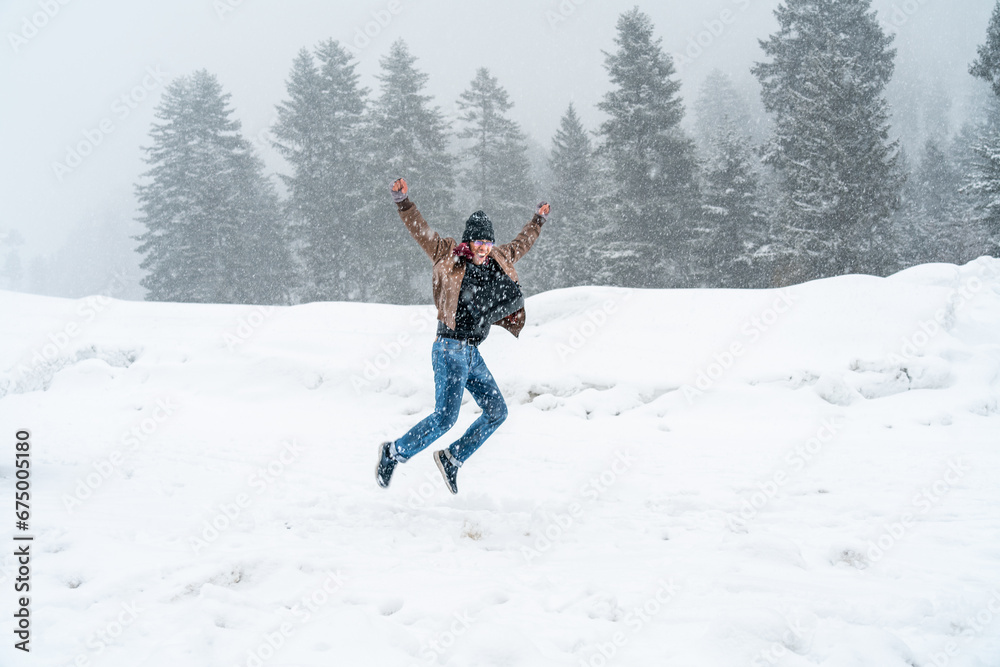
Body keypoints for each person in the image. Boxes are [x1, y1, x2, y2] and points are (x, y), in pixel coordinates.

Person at [376, 177, 550, 494]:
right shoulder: (448, 256)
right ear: (469, 242)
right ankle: (393, 453)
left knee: (497, 411)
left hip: (472, 353)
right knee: (445, 418)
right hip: (449, 348)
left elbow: (520, 244)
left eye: (488, 243)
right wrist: (403, 202)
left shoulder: (498, 258)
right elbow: (421, 230)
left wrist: (537, 220)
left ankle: (453, 457)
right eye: (479, 243)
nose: (484, 248)